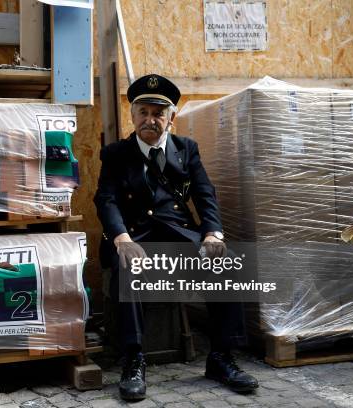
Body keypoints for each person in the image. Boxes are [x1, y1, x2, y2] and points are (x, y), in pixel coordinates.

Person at [94, 74, 259, 400]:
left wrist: (212, 232)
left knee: (225, 264)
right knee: (130, 267)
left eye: (158, 113)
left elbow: (205, 194)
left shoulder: (186, 149)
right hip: (134, 237)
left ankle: (221, 358)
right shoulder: (116, 154)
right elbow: (106, 199)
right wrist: (122, 239)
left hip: (178, 235)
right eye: (143, 112)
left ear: (171, 118)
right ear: (133, 115)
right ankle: (133, 360)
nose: (150, 120)